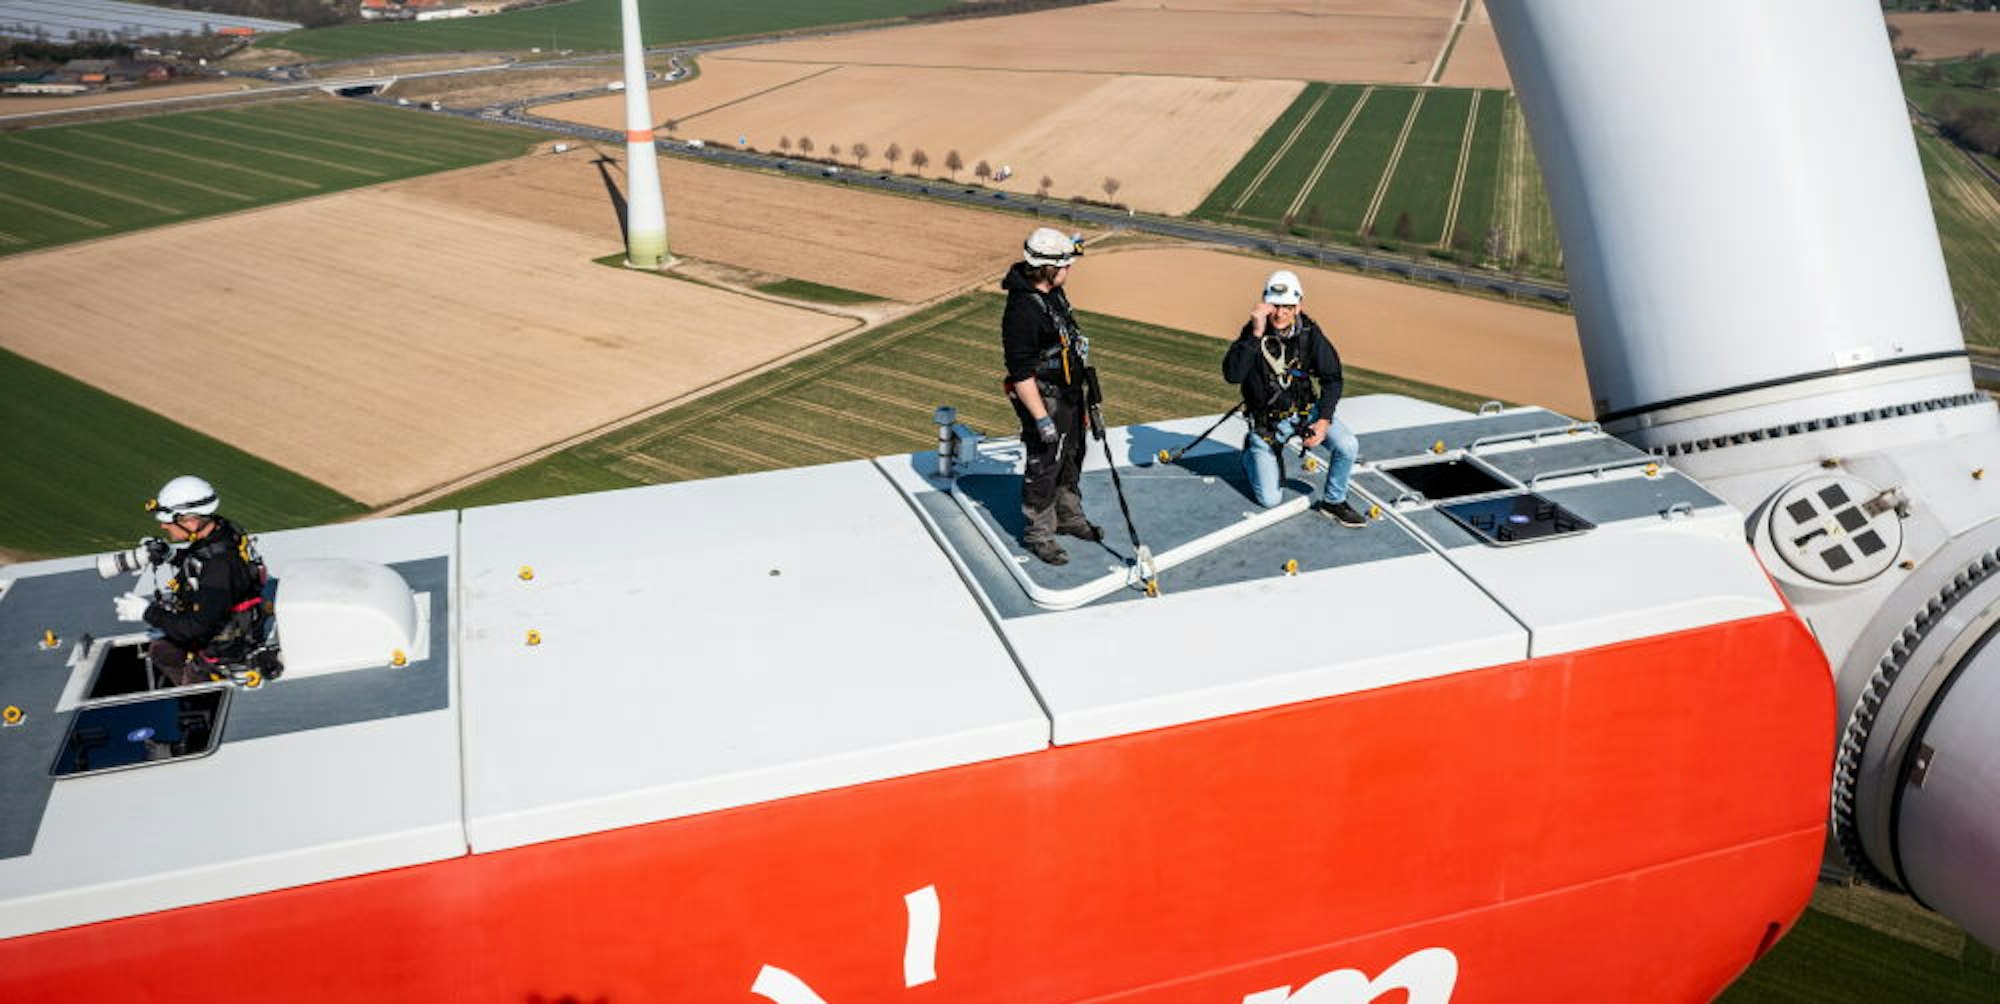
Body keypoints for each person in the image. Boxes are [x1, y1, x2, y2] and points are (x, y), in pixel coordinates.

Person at [1222, 270, 1366, 527]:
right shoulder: (1252, 334)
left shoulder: (1309, 334)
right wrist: (1255, 334)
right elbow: (1233, 375)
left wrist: (1323, 420)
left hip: (1305, 413)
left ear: (1298, 306)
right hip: (1267, 424)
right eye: (1275, 306)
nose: (1280, 314)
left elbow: (1332, 378)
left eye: (1287, 307)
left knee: (1347, 445)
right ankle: (1251, 455)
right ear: (1265, 305)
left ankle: (1334, 502)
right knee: (1269, 499)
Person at [1001, 227, 1102, 565]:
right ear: (1047, 268)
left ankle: (1069, 517)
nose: (1069, 270)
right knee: (1044, 465)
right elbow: (1020, 373)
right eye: (1064, 265)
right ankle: (1039, 535)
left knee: (1071, 456)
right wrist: (1041, 419)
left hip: (1069, 393)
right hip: (1044, 399)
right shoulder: (1022, 310)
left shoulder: (1051, 294)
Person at [111, 476, 269, 687]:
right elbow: (200, 561)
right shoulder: (221, 532)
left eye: (168, 521)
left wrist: (147, 613)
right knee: (162, 652)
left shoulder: (220, 566)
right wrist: (170, 555)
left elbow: (195, 627)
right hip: (224, 624)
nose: (163, 526)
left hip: (225, 650)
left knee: (188, 677)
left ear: (192, 521)